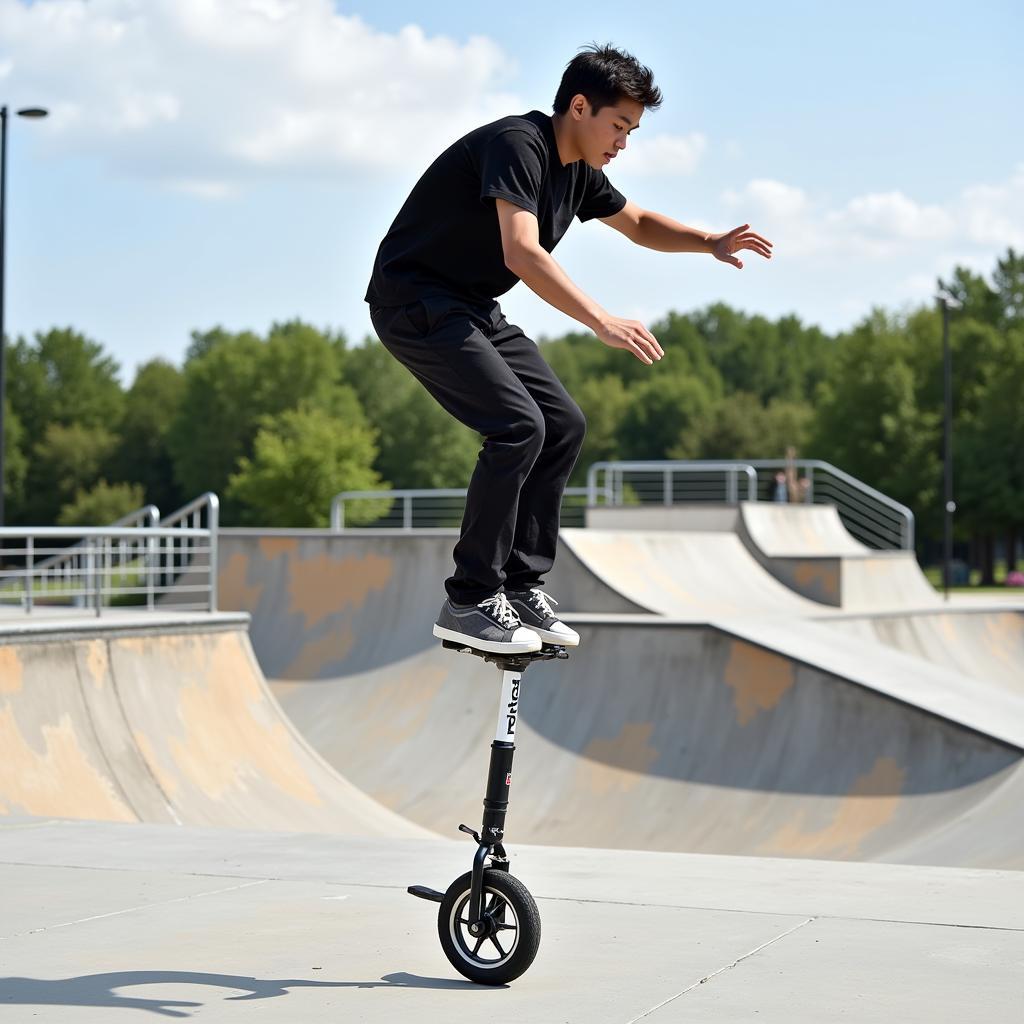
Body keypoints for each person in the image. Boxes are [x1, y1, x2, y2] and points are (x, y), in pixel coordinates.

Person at [366, 44, 773, 656]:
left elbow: (636, 223)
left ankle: (521, 585)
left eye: (632, 131)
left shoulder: (578, 170)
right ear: (579, 107)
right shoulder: (518, 146)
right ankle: (470, 597)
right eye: (619, 126)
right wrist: (601, 320)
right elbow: (522, 252)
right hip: (414, 301)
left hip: (471, 307)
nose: (624, 143)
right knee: (516, 426)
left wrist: (708, 240)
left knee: (562, 424)